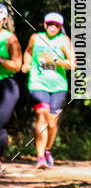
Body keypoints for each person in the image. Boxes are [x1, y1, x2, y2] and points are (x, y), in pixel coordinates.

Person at [22, 12, 75, 169]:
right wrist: (26, 64)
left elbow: (72, 64)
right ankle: (40, 158)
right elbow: (28, 51)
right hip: (38, 83)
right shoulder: (36, 38)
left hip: (58, 87)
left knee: (52, 122)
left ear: (60, 27)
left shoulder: (63, 40)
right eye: (50, 24)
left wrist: (56, 60)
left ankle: (47, 150)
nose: (53, 27)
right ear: (45, 24)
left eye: (56, 25)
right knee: (41, 114)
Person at [0, 3, 23, 170]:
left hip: (5, 84)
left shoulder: (10, 39)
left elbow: (17, 65)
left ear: (4, 20)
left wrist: (1, 60)